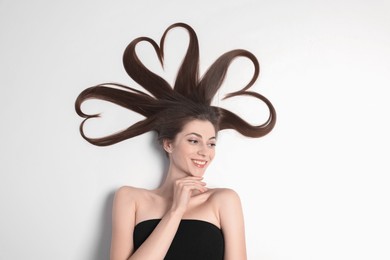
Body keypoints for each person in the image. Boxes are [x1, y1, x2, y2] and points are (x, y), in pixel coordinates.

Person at [75, 23, 276, 260]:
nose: (205, 152)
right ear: (168, 144)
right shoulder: (130, 198)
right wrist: (175, 212)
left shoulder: (223, 200)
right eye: (194, 140)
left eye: (211, 143)